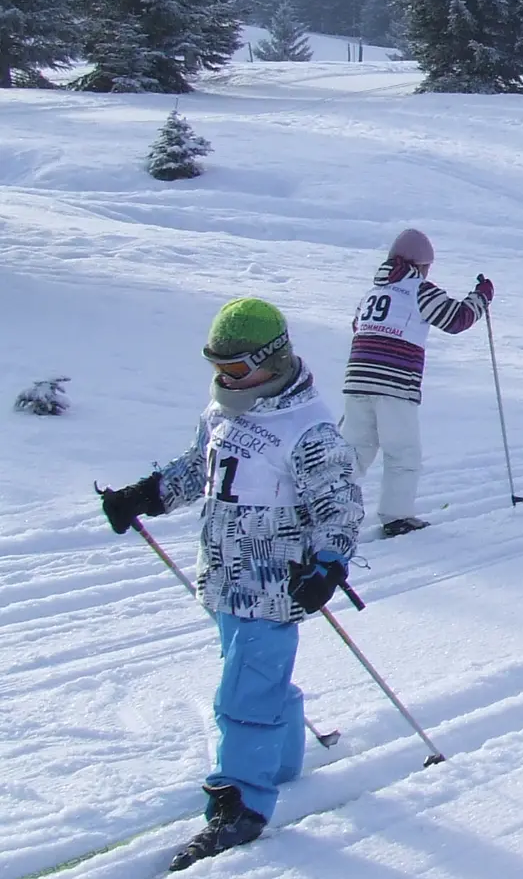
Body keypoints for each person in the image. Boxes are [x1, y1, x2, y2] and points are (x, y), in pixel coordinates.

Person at [96, 298, 362, 872]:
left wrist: (329, 564)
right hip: (224, 577)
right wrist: (145, 495)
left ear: (272, 359)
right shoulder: (224, 410)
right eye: (216, 366)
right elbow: (201, 468)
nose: (224, 378)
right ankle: (280, 760)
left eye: (236, 368)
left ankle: (240, 801)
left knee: (242, 694)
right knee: (254, 676)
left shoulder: (308, 428)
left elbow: (339, 507)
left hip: (276, 584)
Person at [340, 229, 492, 538]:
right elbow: (456, 320)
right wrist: (482, 296)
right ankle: (397, 516)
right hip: (395, 384)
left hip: (357, 380)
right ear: (420, 265)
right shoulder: (419, 289)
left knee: (355, 450)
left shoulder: (372, 293)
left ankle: (323, 504)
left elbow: (358, 325)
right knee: (402, 452)